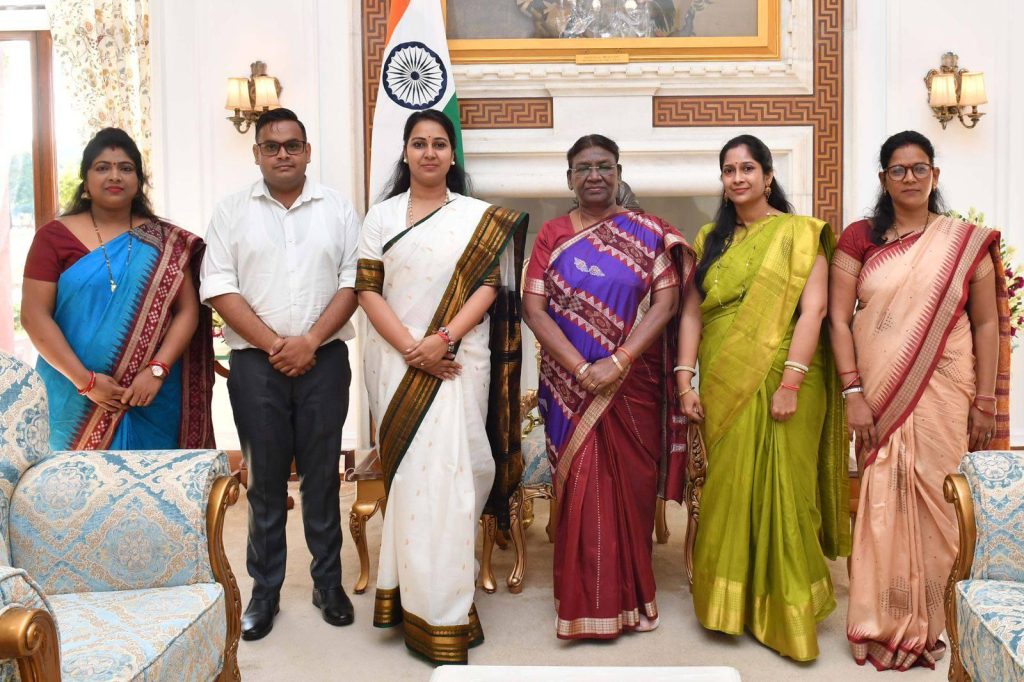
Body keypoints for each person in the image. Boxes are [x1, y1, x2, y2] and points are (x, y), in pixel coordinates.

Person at [831, 130, 1011, 670]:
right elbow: (838, 320)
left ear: (935, 174)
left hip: (948, 391)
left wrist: (985, 400)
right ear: (883, 178)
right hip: (879, 395)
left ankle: (935, 622)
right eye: (898, 169)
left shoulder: (962, 242)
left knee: (941, 501)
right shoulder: (859, 238)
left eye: (919, 168)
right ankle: (881, 622)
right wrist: (852, 391)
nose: (909, 178)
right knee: (881, 502)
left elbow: (985, 323)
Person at [356, 110, 527, 665]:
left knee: (456, 481)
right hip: (398, 362)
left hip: (458, 360)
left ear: (453, 155)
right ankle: (410, 598)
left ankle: (449, 608)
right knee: (410, 483)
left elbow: (488, 287)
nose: (429, 153)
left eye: (438, 144)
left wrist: (442, 340)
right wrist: (414, 348)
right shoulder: (381, 217)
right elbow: (367, 290)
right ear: (405, 153)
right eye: (418, 143)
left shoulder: (476, 218)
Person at [677, 134, 848, 661]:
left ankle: (787, 611)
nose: (738, 178)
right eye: (729, 170)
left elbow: (815, 311)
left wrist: (791, 383)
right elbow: (691, 312)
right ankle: (731, 607)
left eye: (748, 168)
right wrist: (684, 379)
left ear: (768, 176)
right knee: (730, 486)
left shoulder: (801, 233)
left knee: (787, 490)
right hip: (723, 374)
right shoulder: (710, 239)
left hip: (787, 373)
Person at [522, 134, 694, 640]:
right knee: (580, 489)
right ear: (569, 178)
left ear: (619, 173)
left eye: (604, 166)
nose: (594, 175)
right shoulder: (552, 234)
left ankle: (633, 598)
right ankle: (582, 605)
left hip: (633, 383)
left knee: (630, 493)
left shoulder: (650, 232)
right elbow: (534, 309)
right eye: (583, 168)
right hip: (569, 388)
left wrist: (618, 360)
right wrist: (582, 369)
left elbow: (666, 304)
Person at [200, 108, 360, 640]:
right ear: (257, 154)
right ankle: (264, 592)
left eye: (293, 145)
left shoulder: (337, 208)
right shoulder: (231, 211)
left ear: (308, 152)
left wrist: (309, 342)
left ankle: (327, 584)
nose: (283, 154)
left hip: (324, 360)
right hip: (256, 365)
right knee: (264, 482)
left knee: (322, 477)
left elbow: (354, 281)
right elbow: (219, 287)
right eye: (272, 146)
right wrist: (276, 345)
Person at [21, 127, 213, 451]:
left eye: (126, 168)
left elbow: (187, 311)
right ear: (85, 181)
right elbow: (34, 316)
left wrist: (157, 370)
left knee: (155, 479)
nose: (115, 176)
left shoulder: (165, 242)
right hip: (72, 394)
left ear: (139, 181)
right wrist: (85, 381)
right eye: (102, 167)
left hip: (151, 396)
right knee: (74, 480)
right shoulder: (53, 237)